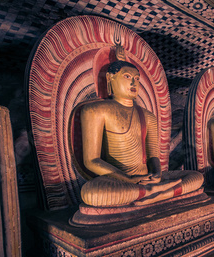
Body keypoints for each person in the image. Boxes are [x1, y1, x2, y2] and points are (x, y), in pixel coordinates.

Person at [78, 57, 203, 206]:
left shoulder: (147, 116)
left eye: (137, 79)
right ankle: (158, 192)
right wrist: (128, 179)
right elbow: (91, 161)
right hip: (118, 180)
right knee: (91, 193)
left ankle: (156, 192)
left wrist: (157, 174)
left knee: (196, 176)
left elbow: (153, 157)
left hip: (147, 178)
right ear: (110, 78)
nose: (133, 83)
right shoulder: (95, 111)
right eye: (127, 77)